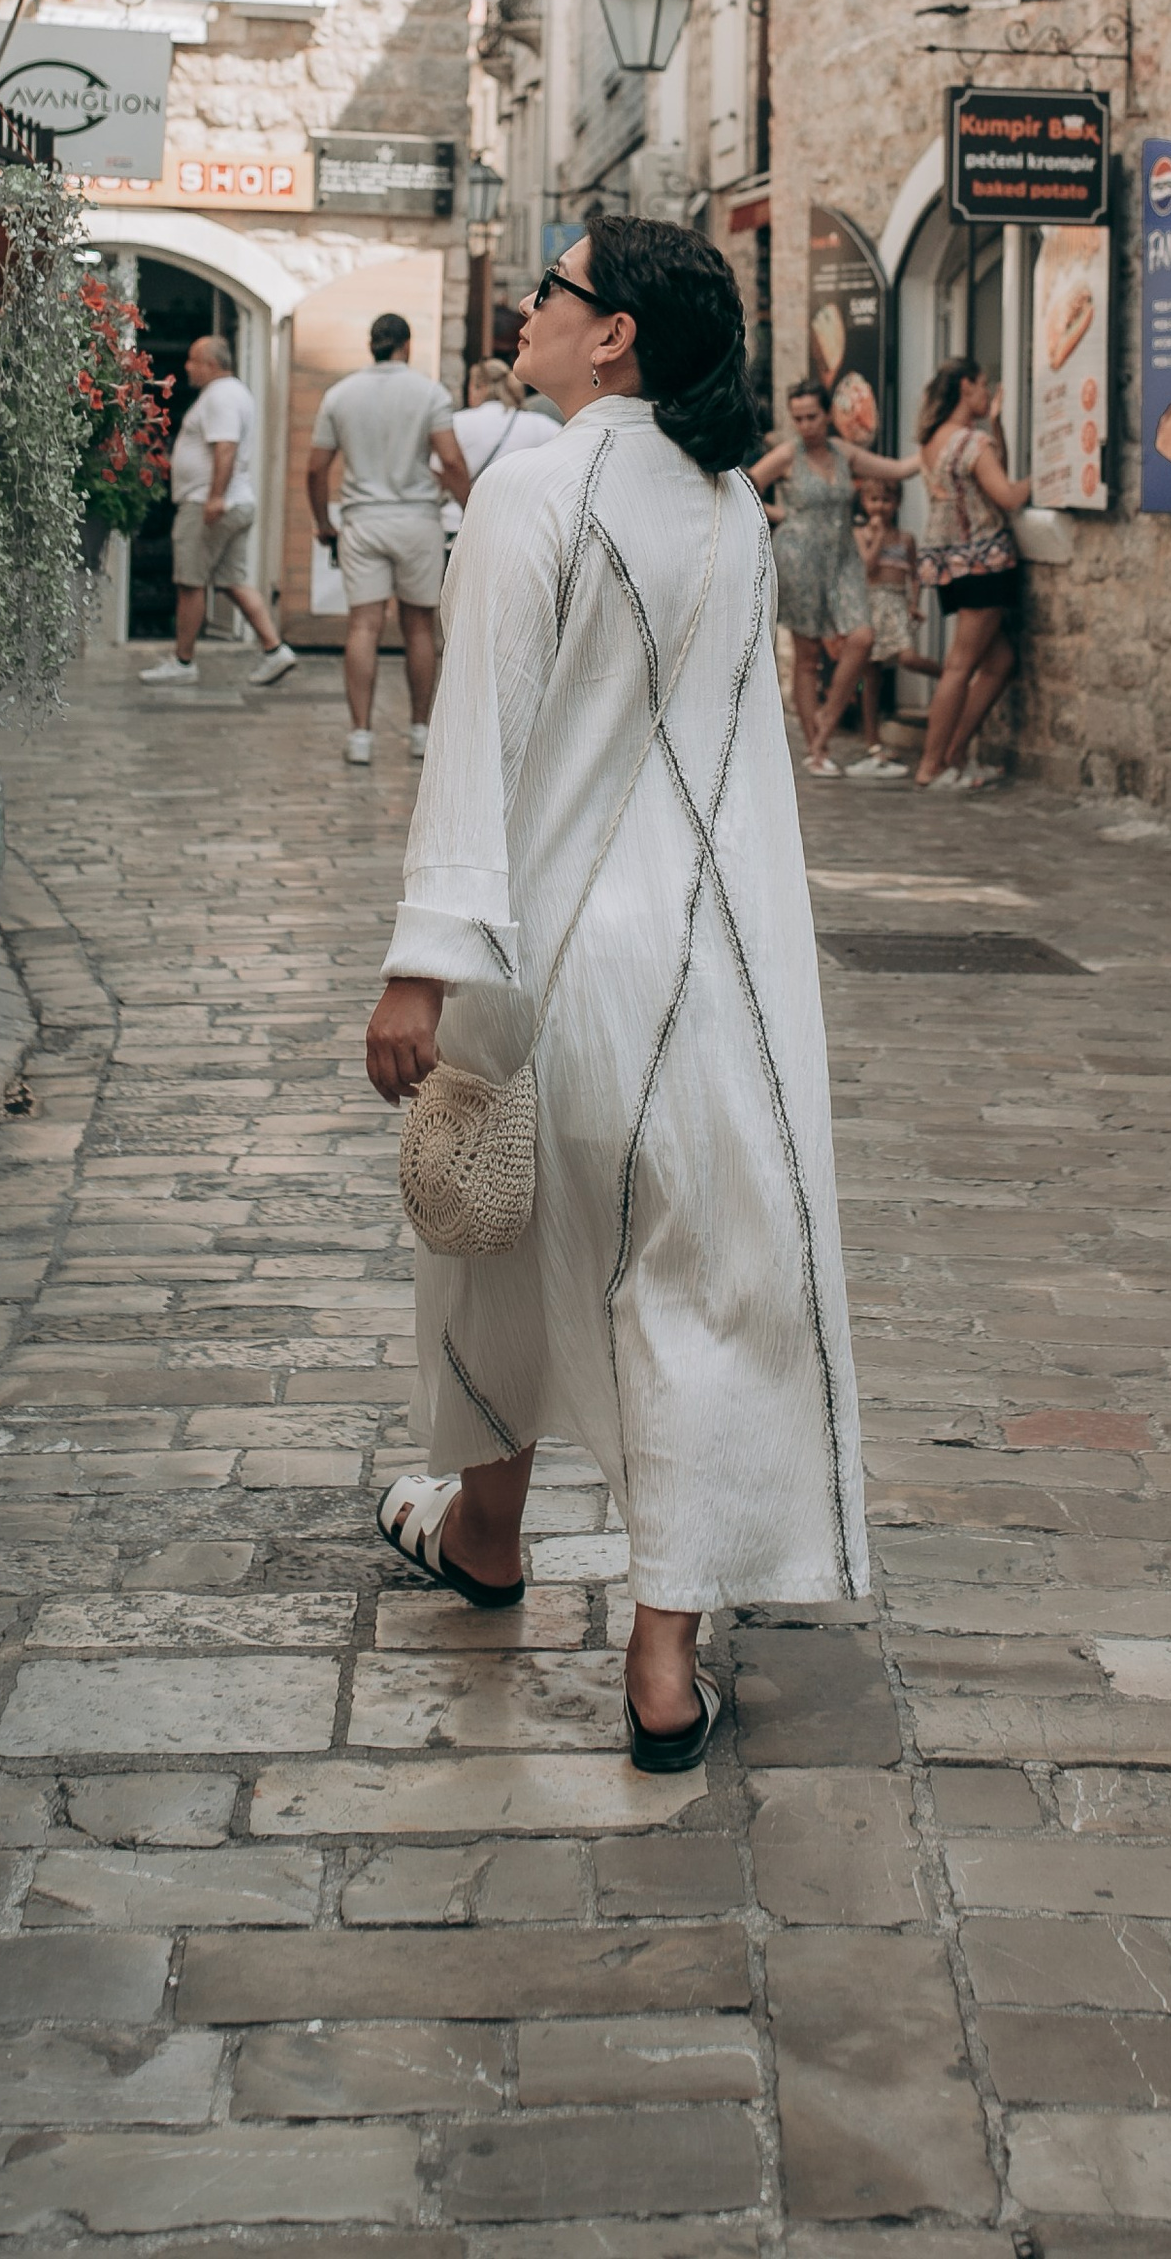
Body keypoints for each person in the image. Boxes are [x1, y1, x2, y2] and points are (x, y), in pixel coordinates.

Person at [362, 216, 867, 1771]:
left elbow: (478, 736)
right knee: (698, 1293)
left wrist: (418, 964)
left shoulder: (532, 485)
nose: (527, 308)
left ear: (616, 337)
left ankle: (491, 1539)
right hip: (709, 978)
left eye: (554, 292)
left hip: (555, 962)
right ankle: (660, 1664)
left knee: (503, 1239)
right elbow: (743, 774)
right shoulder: (729, 511)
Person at [307, 312, 473, 766]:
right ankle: (420, 731)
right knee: (419, 625)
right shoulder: (428, 393)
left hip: (362, 519)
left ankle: (360, 735)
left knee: (363, 625)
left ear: (371, 344)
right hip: (416, 520)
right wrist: (475, 508)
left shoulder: (339, 396)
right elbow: (452, 462)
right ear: (407, 344)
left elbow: (315, 468)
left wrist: (324, 522)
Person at [748, 381, 916, 774]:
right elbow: (746, 484)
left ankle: (826, 722)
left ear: (827, 415)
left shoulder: (845, 454)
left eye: (812, 416)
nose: (806, 424)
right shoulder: (788, 455)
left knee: (862, 636)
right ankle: (816, 750)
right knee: (807, 656)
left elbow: (899, 469)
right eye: (799, 418)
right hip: (798, 558)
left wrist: (937, 445)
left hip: (843, 558)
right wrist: (783, 516)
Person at [140, 331, 296, 691]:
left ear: (211, 364)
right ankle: (275, 650)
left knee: (190, 582)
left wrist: (213, 498)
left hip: (209, 504)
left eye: (193, 360)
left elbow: (225, 448)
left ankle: (183, 662)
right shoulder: (231, 393)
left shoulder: (222, 396)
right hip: (235, 501)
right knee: (232, 581)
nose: (187, 367)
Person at [913, 358, 1030, 790]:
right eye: (984, 386)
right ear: (966, 387)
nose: (988, 393)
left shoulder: (934, 440)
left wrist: (996, 429)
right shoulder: (970, 443)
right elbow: (1008, 495)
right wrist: (1055, 475)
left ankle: (955, 754)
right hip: (984, 562)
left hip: (952, 563)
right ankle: (932, 765)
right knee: (960, 667)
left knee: (1000, 661)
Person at [852, 474, 922, 778]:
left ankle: (945, 676)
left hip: (896, 603)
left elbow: (915, 574)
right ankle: (872, 741)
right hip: (873, 604)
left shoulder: (905, 538)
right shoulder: (862, 534)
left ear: (896, 503)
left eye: (886, 500)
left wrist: (914, 602)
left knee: (907, 656)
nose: (880, 506)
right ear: (865, 502)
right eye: (874, 499)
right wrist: (877, 536)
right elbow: (867, 566)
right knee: (871, 676)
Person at [451, 357, 550, 488]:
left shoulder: (456, 422)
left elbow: (439, 467)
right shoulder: (541, 424)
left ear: (480, 387)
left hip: (465, 505)